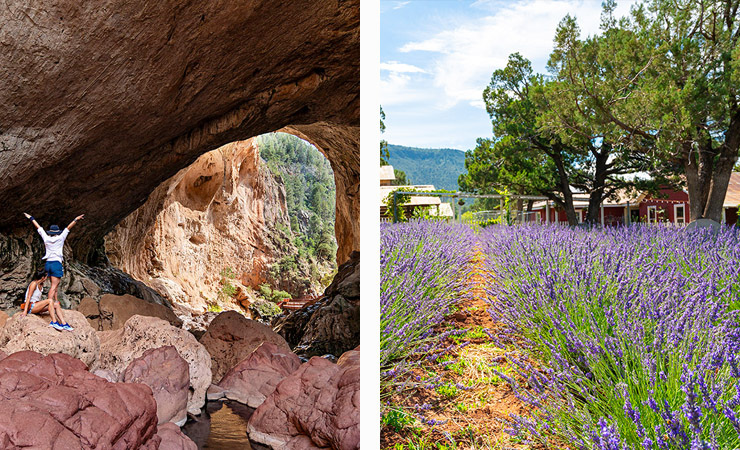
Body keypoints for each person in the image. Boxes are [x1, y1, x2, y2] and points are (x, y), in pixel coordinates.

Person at [22, 212, 83, 329]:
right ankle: (51, 304)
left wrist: (31, 218)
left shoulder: (46, 238)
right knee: (54, 287)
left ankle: (54, 302)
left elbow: (38, 227)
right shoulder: (60, 238)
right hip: (56, 264)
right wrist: (76, 219)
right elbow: (68, 228)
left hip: (48, 263)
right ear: (57, 233)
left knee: (53, 286)